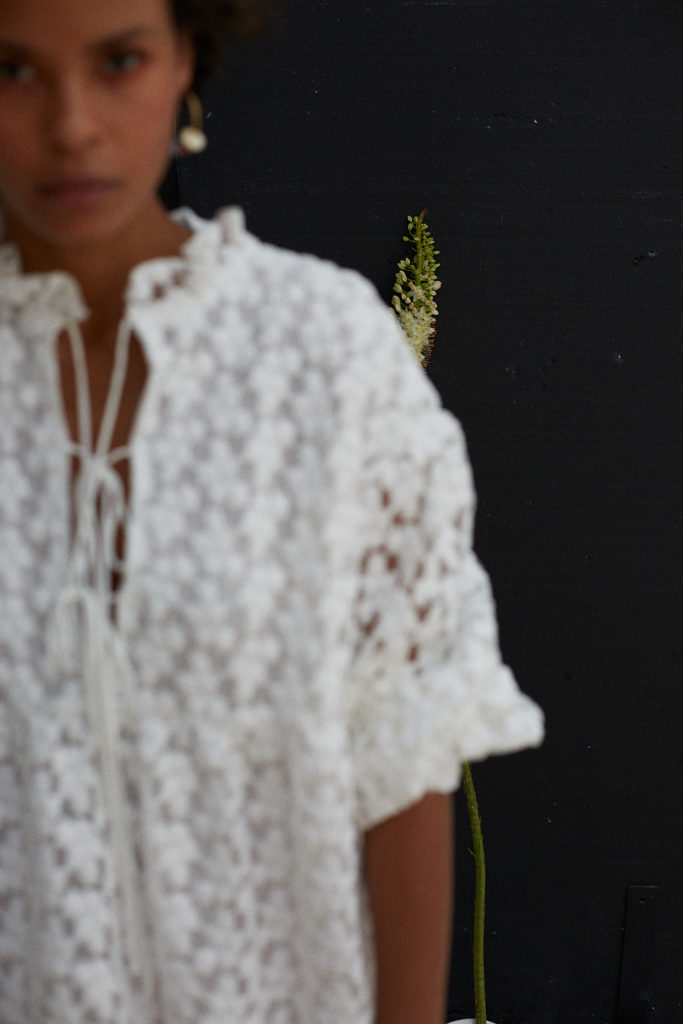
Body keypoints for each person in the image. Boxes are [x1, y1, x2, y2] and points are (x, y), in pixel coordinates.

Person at [0, 1, 544, 1022]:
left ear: (186, 60)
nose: (71, 122)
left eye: (117, 61)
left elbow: (401, 754)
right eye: (13, 70)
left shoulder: (323, 357)